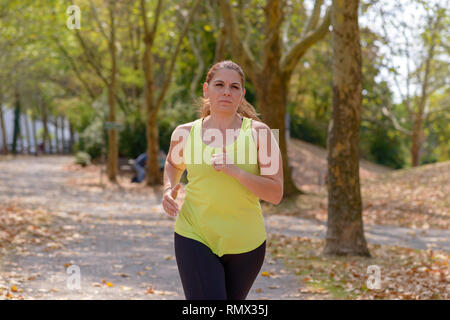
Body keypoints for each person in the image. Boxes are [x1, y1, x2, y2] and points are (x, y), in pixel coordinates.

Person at [162, 60, 283, 300]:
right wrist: (168, 188)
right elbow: (173, 164)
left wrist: (236, 171)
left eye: (234, 87)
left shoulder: (260, 134)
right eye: (219, 84)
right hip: (194, 234)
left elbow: (275, 193)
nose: (227, 91)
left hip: (246, 243)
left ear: (242, 94)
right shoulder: (185, 133)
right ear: (206, 89)